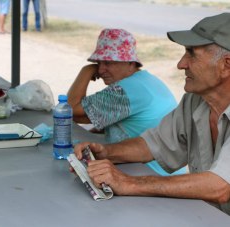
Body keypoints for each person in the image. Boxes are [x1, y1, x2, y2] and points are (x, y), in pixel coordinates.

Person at [73, 13, 230, 215]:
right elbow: (154, 144)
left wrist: (127, 182)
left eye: (191, 54)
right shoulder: (197, 100)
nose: (181, 64)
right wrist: (106, 152)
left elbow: (221, 186)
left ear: (227, 64)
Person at [68, 28, 186, 176]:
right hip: (164, 171)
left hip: (153, 173)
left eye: (108, 62)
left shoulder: (128, 90)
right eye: (98, 63)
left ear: (131, 62)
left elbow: (71, 112)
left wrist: (86, 71)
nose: (101, 69)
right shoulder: (144, 81)